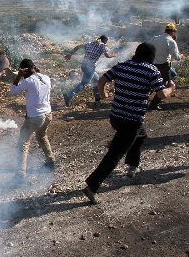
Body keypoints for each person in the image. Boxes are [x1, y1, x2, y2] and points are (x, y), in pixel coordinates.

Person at [82, 43, 176, 205]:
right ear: (151, 56)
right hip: (132, 120)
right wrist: (171, 89)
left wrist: (103, 94)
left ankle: (133, 165)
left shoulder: (123, 65)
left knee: (141, 134)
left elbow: (102, 80)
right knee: (114, 155)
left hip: (116, 117)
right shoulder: (151, 71)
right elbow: (161, 94)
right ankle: (92, 186)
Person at [9, 58, 55, 176]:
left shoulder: (28, 81)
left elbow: (12, 91)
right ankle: (51, 162)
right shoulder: (46, 78)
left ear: (25, 70)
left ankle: (20, 174)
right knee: (42, 136)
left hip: (35, 116)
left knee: (23, 143)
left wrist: (18, 76)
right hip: (48, 115)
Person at [63, 35, 116, 107]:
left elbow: (78, 46)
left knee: (96, 80)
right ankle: (69, 95)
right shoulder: (102, 45)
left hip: (84, 66)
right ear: (105, 40)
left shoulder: (90, 43)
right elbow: (107, 55)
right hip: (90, 67)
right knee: (83, 84)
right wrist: (113, 55)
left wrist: (70, 54)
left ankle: (97, 100)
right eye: (106, 41)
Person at [148, 23, 183, 110]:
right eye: (174, 32)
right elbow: (176, 56)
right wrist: (181, 56)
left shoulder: (156, 38)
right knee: (166, 85)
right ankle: (153, 104)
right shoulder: (170, 41)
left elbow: (148, 47)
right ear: (172, 32)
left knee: (152, 82)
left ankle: (142, 98)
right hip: (164, 66)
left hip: (153, 65)